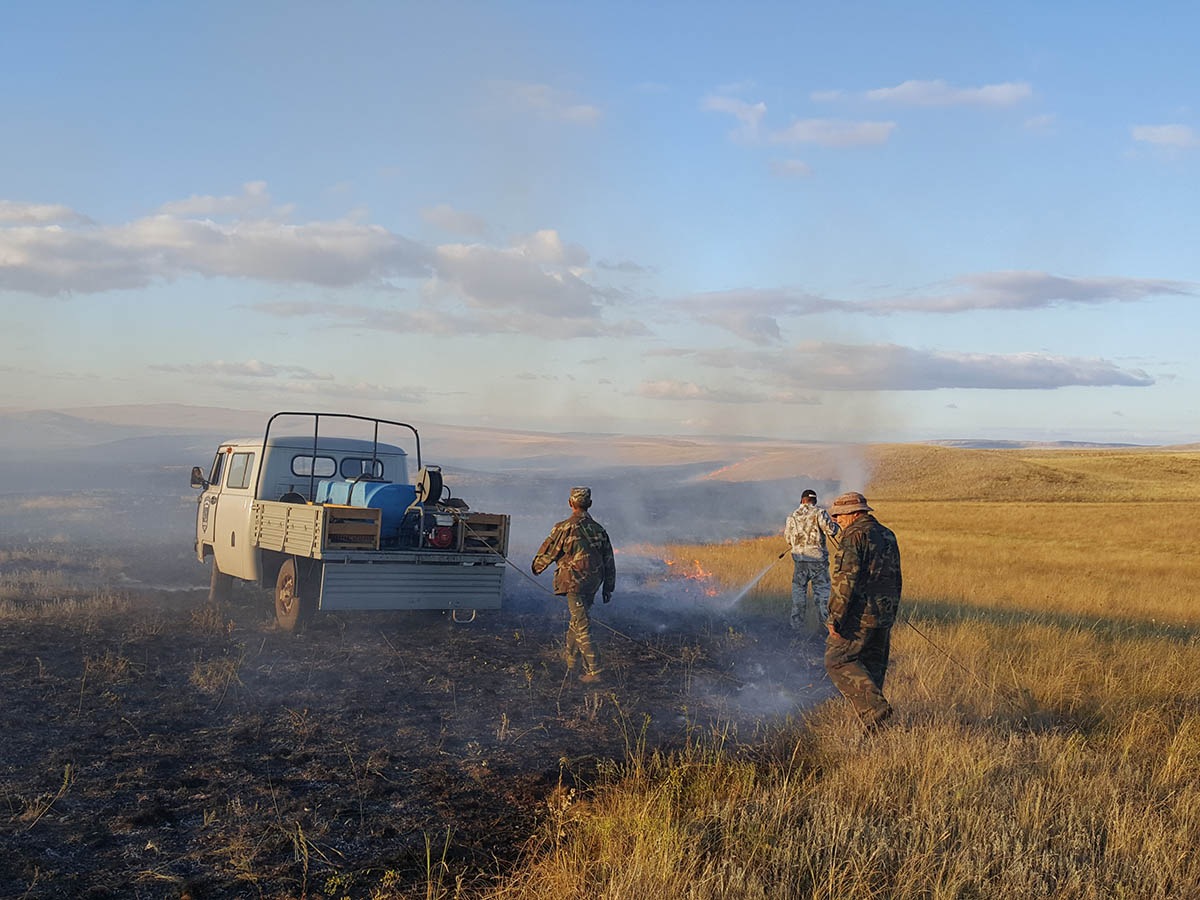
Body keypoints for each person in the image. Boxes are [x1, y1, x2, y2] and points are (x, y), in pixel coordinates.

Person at [825, 491, 902, 730]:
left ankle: (875, 710)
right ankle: (876, 732)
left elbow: (844, 581)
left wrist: (834, 617)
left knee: (837, 660)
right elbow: (895, 576)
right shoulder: (887, 534)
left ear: (854, 513)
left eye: (839, 515)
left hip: (859, 616)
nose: (836, 520)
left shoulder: (853, 537)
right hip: (885, 614)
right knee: (872, 669)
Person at [532, 486, 616, 683]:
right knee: (576, 622)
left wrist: (537, 567)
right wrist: (608, 588)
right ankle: (571, 664)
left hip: (573, 583)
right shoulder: (599, 530)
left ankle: (596, 670)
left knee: (582, 624)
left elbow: (549, 551)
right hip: (593, 583)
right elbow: (609, 560)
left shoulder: (563, 527)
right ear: (590, 504)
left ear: (570, 504)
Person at [783, 489, 839, 631]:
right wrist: (835, 524)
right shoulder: (819, 513)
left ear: (802, 500)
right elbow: (831, 531)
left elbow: (788, 540)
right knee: (822, 596)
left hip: (800, 562)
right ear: (815, 501)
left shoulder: (792, 516)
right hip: (818, 562)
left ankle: (796, 628)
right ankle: (826, 629)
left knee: (798, 595)